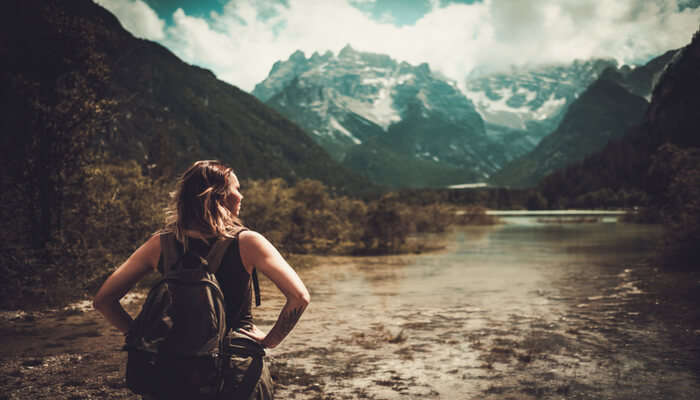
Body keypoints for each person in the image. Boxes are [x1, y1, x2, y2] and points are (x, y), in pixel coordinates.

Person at [94, 160, 310, 398]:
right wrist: (271, 340)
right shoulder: (248, 242)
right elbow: (299, 297)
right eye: (236, 188)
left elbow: (104, 300)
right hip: (233, 373)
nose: (241, 196)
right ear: (217, 196)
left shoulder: (160, 243)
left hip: (172, 372)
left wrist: (140, 336)